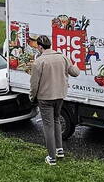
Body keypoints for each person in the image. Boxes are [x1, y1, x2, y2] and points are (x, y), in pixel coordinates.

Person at [28, 35, 81, 165]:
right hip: (60, 96)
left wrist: (32, 97)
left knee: (48, 126)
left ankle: (51, 158)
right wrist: (76, 64)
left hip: (45, 98)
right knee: (56, 120)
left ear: (40, 47)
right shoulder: (62, 57)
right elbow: (75, 72)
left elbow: (34, 84)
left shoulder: (39, 62)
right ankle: (60, 150)